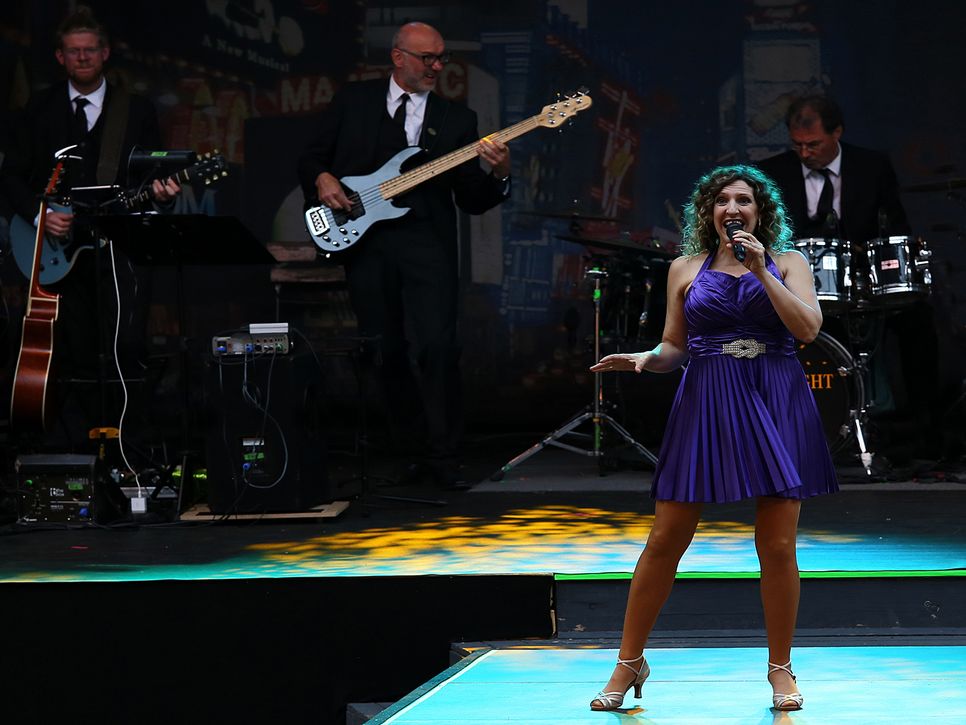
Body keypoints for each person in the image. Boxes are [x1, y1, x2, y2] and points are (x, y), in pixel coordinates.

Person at [588, 165, 838, 712]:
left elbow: (807, 329)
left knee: (777, 546)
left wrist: (761, 270)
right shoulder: (684, 268)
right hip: (707, 397)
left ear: (760, 211)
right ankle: (629, 661)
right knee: (665, 538)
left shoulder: (789, 263)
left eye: (744, 200)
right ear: (708, 212)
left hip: (775, 393)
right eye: (722, 200)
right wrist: (646, 358)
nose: (733, 208)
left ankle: (780, 669)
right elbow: (675, 346)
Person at [297, 21, 511, 488]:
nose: (436, 66)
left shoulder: (457, 119)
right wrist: (322, 178)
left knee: (438, 347)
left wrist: (498, 175)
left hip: (427, 244)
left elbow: (471, 198)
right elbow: (310, 156)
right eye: (426, 58)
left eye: (441, 58)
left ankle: (445, 454)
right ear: (398, 57)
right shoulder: (353, 100)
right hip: (365, 242)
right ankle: (408, 449)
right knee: (384, 348)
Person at [0, 7, 180, 438]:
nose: (82, 58)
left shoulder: (136, 110)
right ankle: (79, 448)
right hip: (57, 254)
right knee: (70, 348)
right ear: (60, 57)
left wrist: (163, 193)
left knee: (124, 345)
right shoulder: (38, 108)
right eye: (73, 51)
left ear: (105, 53)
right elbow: (10, 176)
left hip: (118, 251)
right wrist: (41, 215)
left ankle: (125, 444)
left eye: (90, 50)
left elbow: (153, 177)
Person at [758, 94, 939, 461]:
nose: (805, 153)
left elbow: (895, 227)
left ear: (836, 132)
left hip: (860, 280)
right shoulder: (771, 173)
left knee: (918, 320)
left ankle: (923, 430)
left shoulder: (871, 167)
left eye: (813, 144)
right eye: (797, 145)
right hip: (796, 284)